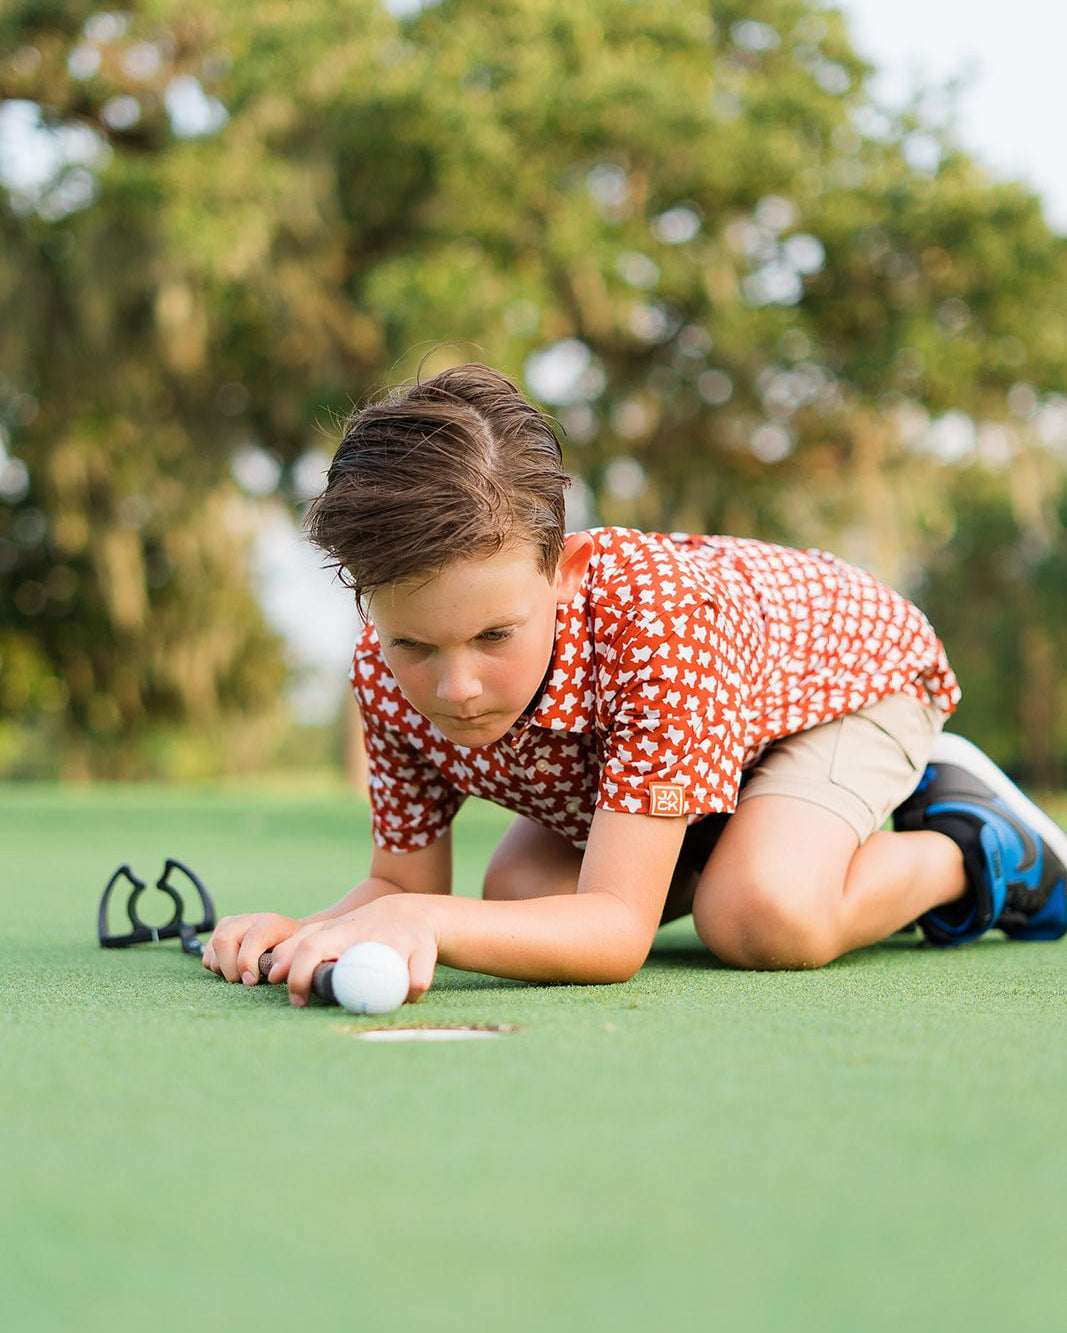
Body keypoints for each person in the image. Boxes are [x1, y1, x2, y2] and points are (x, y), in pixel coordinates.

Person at [203, 364, 1067, 1006]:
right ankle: (738, 829)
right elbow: (400, 881)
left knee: (760, 914)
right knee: (518, 902)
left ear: (566, 570)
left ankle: (979, 846)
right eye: (413, 643)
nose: (456, 685)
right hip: (695, 753)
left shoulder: (658, 630)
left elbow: (615, 929)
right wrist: (311, 931)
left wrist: (430, 922)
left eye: (494, 635)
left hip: (842, 685)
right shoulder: (382, 681)